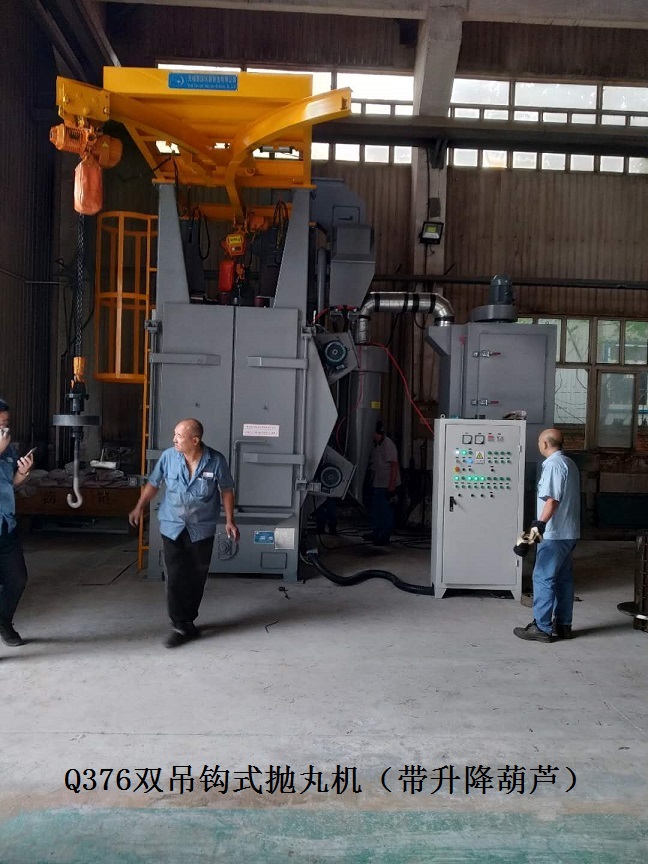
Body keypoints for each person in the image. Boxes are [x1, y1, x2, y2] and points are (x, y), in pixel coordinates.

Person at [129, 418, 239, 648]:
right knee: (175, 575)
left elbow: (226, 489)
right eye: (175, 434)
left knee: (197, 576)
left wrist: (230, 520)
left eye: (179, 436)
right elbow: (154, 483)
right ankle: (179, 624)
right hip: (173, 526)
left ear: (195, 440)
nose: (174, 439)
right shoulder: (169, 457)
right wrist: (139, 506)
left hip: (202, 528)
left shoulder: (216, 460)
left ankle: (188, 621)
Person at [514, 427, 580, 644]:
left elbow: (551, 501)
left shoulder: (553, 465)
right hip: (569, 532)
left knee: (543, 577)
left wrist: (535, 530)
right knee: (563, 579)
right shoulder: (569, 463)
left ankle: (542, 627)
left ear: (544, 444)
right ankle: (564, 625)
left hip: (554, 533)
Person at [0, 398, 35, 647]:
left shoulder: (9, 450)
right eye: (0, 426)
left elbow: (9, 486)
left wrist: (23, 473)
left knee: (17, 579)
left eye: (6, 424)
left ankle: (4, 622)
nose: (4, 430)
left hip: (6, 527)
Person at [364, 420, 401, 546]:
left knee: (385, 511)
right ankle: (376, 532)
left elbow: (394, 465)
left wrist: (392, 485)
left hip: (386, 485)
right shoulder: (375, 445)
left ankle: (384, 536)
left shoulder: (387, 444)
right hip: (378, 484)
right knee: (377, 510)